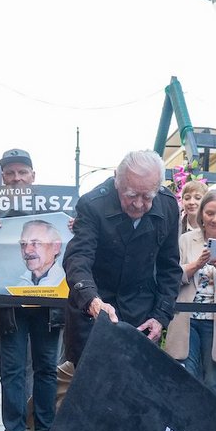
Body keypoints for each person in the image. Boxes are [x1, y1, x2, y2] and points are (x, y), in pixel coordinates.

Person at [0, 148, 63, 431]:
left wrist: (72, 229)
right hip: (9, 306)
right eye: (10, 173)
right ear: (2, 177)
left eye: (22, 172)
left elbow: (72, 253)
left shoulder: (55, 212)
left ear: (33, 177)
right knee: (10, 369)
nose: (16, 178)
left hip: (48, 305)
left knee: (46, 368)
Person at [64, 149, 182, 366]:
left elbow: (170, 268)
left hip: (141, 313)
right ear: (117, 180)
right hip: (94, 307)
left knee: (133, 392)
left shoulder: (168, 206)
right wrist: (91, 299)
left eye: (147, 197)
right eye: (131, 195)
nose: (138, 204)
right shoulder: (92, 204)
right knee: (91, 391)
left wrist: (160, 317)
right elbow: (78, 258)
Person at [165, 189, 216, 396]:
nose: (215, 219)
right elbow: (171, 277)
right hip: (187, 316)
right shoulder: (186, 239)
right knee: (188, 377)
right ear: (202, 213)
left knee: (213, 381)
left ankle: (211, 427)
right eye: (210, 213)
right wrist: (196, 264)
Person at [16, 219, 65, 287]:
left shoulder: (69, 283)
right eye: (23, 243)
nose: (26, 250)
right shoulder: (18, 287)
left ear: (56, 247)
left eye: (35, 243)